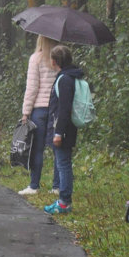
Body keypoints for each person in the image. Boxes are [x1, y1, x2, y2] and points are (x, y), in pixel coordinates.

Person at [18, 35, 60, 196]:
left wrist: (26, 112)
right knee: (58, 149)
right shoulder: (60, 58)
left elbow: (32, 87)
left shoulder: (36, 58)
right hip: (57, 109)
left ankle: (34, 185)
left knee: (37, 149)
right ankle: (57, 187)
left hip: (39, 109)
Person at [44, 45, 83, 215]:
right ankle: (62, 200)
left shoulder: (65, 79)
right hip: (65, 128)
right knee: (62, 162)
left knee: (63, 163)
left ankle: (64, 202)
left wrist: (58, 133)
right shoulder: (68, 76)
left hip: (64, 129)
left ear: (54, 61)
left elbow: (64, 108)